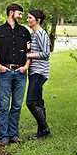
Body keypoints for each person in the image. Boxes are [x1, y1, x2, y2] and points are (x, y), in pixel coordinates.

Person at [0, 3, 31, 144]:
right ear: (11, 12)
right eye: (19, 14)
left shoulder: (25, 32)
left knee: (17, 105)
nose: (21, 17)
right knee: (4, 106)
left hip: (20, 72)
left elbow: (29, 52)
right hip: (4, 72)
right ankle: (4, 137)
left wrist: (26, 67)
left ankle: (14, 135)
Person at [25, 9, 51, 139]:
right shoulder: (34, 34)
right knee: (39, 103)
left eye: (30, 18)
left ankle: (45, 129)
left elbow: (46, 54)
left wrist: (29, 54)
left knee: (30, 102)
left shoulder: (41, 33)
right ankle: (41, 133)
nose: (27, 20)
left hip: (39, 72)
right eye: (27, 17)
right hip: (34, 71)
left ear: (38, 20)